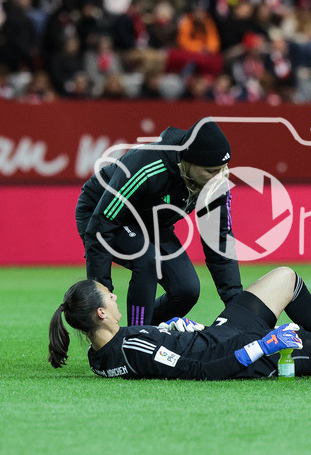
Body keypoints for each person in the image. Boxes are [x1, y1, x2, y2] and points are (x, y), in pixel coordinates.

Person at [49, 267, 311, 379]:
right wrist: (266, 345)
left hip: (220, 334)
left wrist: (175, 329)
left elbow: (157, 351)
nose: (116, 298)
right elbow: (200, 369)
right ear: (100, 313)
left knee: (285, 278)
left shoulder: (102, 356)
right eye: (110, 297)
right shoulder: (131, 347)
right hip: (240, 353)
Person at [75, 118, 240, 328]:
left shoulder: (216, 184)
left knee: (186, 289)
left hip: (150, 221)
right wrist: (101, 295)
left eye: (223, 168)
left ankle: (146, 334)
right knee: (147, 259)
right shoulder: (147, 166)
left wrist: (237, 306)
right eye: (210, 171)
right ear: (187, 162)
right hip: (101, 212)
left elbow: (219, 241)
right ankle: (135, 337)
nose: (219, 178)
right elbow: (102, 225)